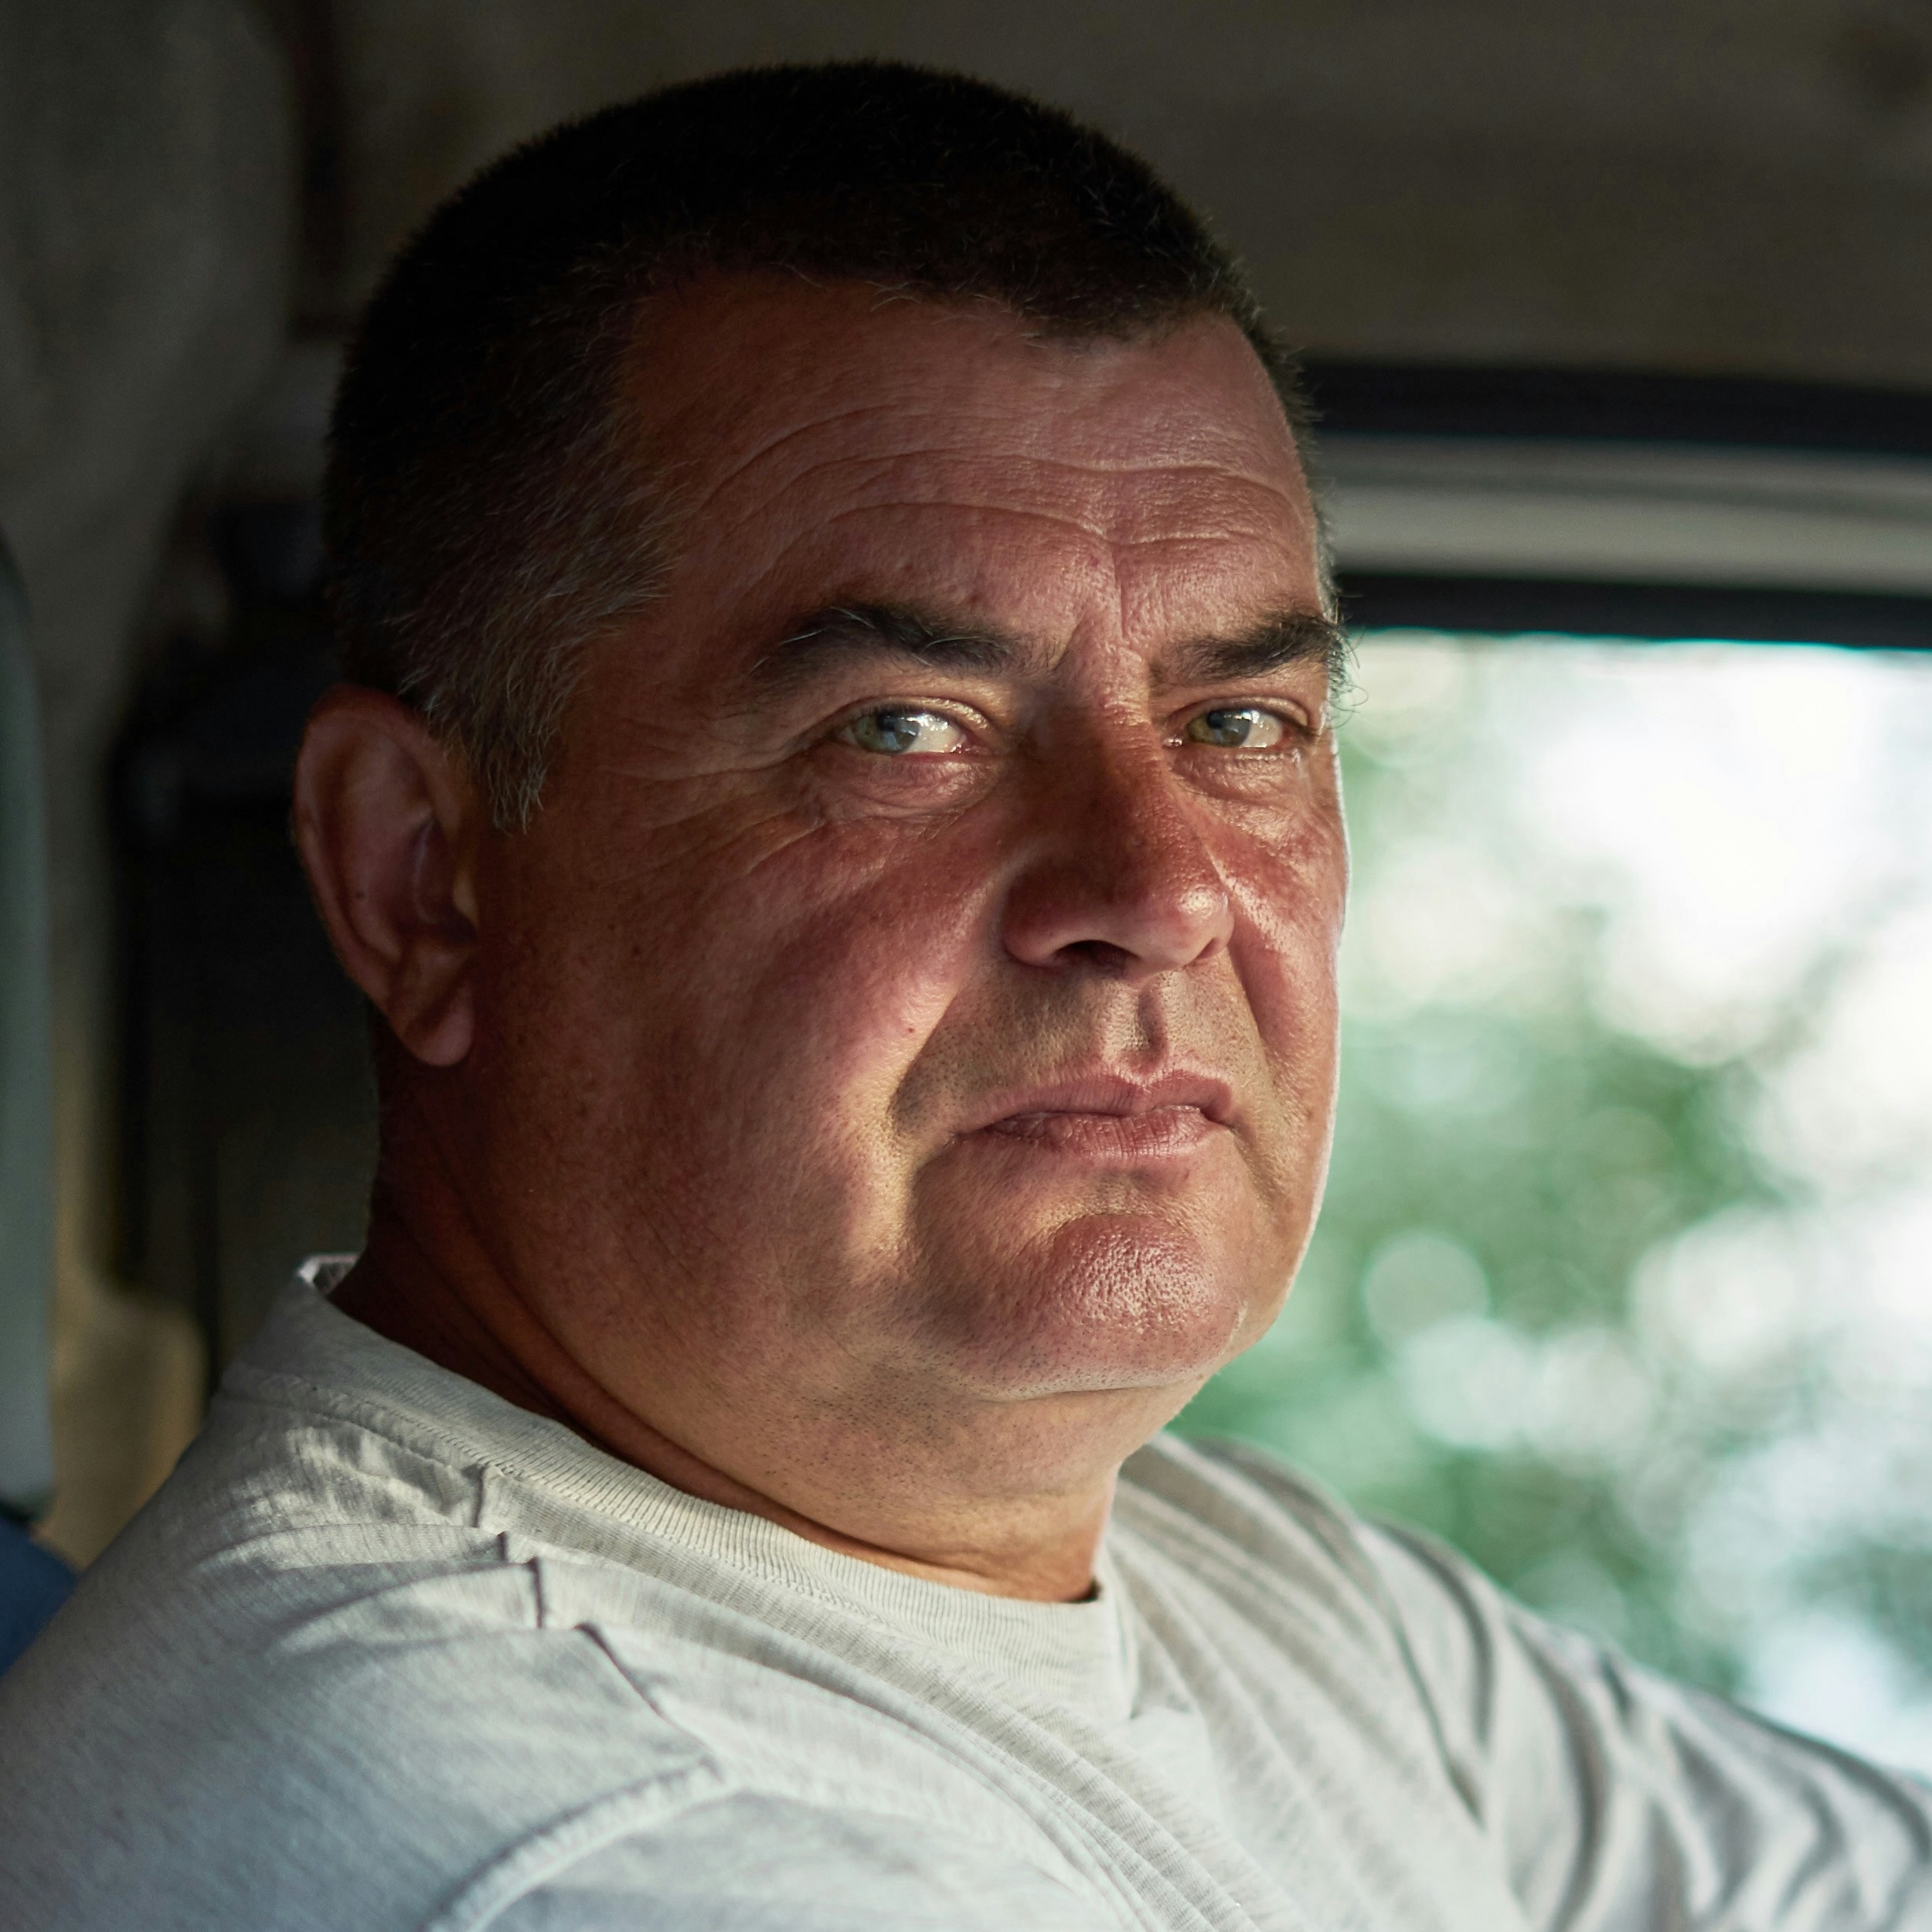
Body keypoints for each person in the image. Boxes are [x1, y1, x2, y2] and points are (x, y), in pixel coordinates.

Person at [1, 62, 1927, 1932]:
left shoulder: (1239, 1584)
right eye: (904, 728)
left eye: (1236, 721)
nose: (1158, 892)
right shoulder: (580, 1833)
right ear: (421, 877)